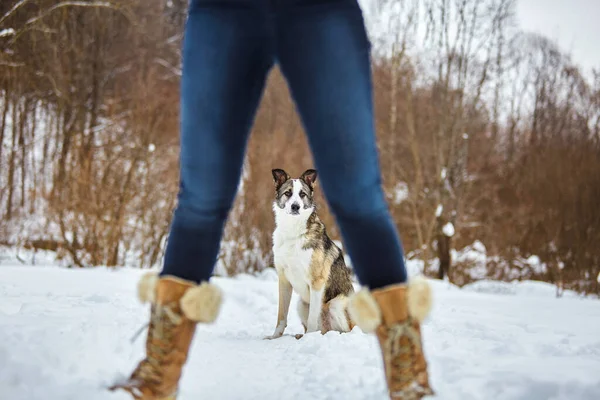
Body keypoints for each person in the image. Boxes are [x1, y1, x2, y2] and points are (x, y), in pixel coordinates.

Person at [109, 0, 433, 399]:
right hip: (223, 12)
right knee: (201, 196)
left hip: (322, 12)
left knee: (357, 196)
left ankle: (408, 376)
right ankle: (159, 374)